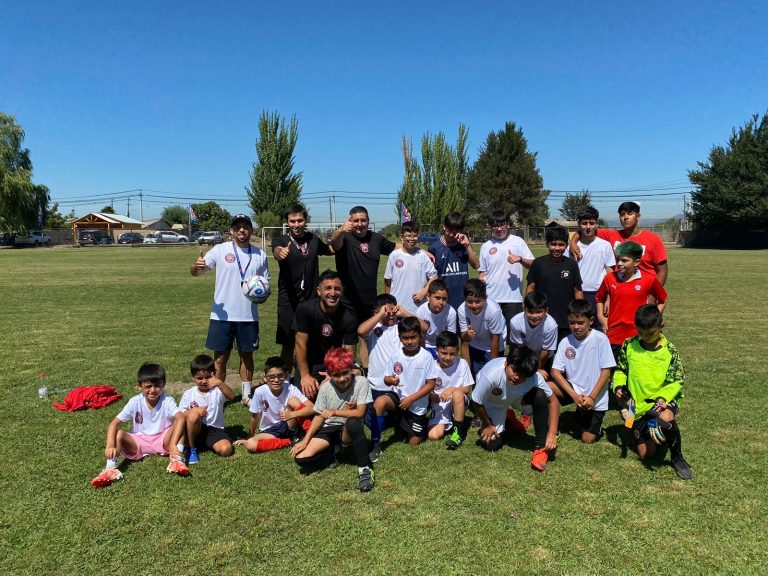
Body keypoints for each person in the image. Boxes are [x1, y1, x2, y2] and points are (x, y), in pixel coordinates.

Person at [190, 214, 269, 404]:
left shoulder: (261, 255)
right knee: (220, 358)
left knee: (246, 355)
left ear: (251, 230)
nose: (241, 230)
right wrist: (196, 265)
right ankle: (219, 394)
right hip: (222, 316)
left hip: (248, 315)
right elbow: (197, 272)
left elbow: (266, 286)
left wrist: (262, 296)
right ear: (231, 231)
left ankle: (247, 394)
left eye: (246, 226)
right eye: (237, 227)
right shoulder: (219, 250)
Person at [612, 305, 692, 480]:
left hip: (662, 401)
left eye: (651, 333)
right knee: (645, 455)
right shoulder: (629, 345)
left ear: (661, 327)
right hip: (637, 406)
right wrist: (618, 386)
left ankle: (678, 457)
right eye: (642, 333)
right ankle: (646, 429)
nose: (646, 337)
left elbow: (676, 380)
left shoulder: (669, 350)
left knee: (666, 418)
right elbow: (621, 370)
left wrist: (663, 398)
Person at [291, 348, 376, 492]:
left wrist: (335, 411)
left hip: (347, 429)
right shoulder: (325, 388)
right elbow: (319, 416)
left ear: (351, 369)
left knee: (354, 421)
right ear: (329, 374)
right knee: (301, 458)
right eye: (336, 375)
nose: (342, 378)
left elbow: (360, 412)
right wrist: (305, 440)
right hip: (329, 427)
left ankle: (365, 469)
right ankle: (333, 452)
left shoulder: (361, 382)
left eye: (345, 373)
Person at [91, 363, 189, 488]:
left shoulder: (167, 400)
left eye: (157, 386)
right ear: (139, 386)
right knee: (119, 433)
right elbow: (114, 424)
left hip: (163, 440)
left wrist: (173, 444)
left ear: (164, 384)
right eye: (148, 386)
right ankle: (110, 468)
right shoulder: (135, 402)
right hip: (139, 442)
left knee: (180, 423)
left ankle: (177, 459)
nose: (153, 390)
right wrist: (110, 445)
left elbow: (180, 418)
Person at [471, 347, 560, 471]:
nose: (517, 377)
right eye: (514, 370)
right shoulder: (491, 374)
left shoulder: (534, 377)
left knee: (540, 395)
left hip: (517, 398)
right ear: (507, 363)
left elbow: (554, 401)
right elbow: (476, 400)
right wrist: (487, 424)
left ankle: (540, 448)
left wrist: (552, 433)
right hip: (493, 402)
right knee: (492, 445)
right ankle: (508, 418)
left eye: (523, 375)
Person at [369, 316, 439, 462]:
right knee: (379, 402)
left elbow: (431, 384)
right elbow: (386, 379)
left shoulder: (426, 357)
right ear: (400, 338)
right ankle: (375, 443)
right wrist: (389, 380)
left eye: (413, 337)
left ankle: (416, 424)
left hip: (416, 405)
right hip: (398, 399)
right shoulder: (396, 355)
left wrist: (411, 399)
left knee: (414, 443)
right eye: (405, 338)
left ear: (420, 336)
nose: (409, 341)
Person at [271, 204, 333, 365]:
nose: (296, 224)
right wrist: (281, 252)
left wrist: (341, 235)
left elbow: (330, 250)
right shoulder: (281, 240)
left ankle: (310, 375)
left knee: (312, 340)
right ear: (287, 222)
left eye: (300, 220)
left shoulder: (313, 239)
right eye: (292, 221)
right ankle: (285, 380)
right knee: (288, 343)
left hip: (311, 300)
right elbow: (277, 251)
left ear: (306, 221)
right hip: (288, 301)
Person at [548, 300, 615, 444]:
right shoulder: (565, 342)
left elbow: (606, 372)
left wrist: (591, 397)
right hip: (574, 390)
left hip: (595, 397)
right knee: (545, 388)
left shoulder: (600, 339)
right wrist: (574, 396)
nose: (576, 327)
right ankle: (550, 427)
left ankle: (587, 415)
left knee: (587, 439)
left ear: (591, 321)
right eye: (572, 323)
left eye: (580, 322)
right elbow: (555, 372)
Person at [357, 294, 414, 451]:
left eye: (393, 311)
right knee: (373, 422)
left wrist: (405, 312)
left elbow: (423, 327)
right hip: (376, 387)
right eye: (386, 311)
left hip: (398, 388)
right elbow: (360, 331)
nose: (391, 315)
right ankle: (391, 418)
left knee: (394, 419)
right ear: (377, 311)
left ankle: (397, 417)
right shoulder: (374, 327)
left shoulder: (401, 327)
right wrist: (381, 314)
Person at [292, 269, 358, 399]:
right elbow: (300, 344)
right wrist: (305, 376)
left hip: (334, 363)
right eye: (328, 288)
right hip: (309, 362)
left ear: (342, 291)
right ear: (319, 290)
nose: (333, 293)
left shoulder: (349, 317)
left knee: (340, 399)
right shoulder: (305, 309)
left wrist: (334, 375)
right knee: (302, 402)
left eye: (337, 289)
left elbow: (348, 353)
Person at [595, 241, 667, 358]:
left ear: (637, 262)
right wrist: (601, 317)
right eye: (618, 259)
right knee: (615, 372)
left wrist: (653, 319)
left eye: (624, 260)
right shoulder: (609, 278)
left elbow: (662, 299)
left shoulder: (649, 279)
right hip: (614, 335)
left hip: (639, 334)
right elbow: (599, 298)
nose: (619, 263)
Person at [569, 201, 668, 285]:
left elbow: (662, 271)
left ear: (638, 216)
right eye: (622, 214)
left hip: (644, 290)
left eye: (630, 214)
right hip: (619, 289)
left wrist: (653, 294)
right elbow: (587, 230)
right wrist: (573, 242)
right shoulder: (612, 235)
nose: (625, 217)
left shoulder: (653, 239)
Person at [331, 205, 396, 324]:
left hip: (370, 300)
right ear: (350, 221)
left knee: (367, 337)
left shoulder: (376, 238)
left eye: (363, 220)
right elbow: (334, 243)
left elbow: (396, 247)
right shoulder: (344, 237)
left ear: (368, 221)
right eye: (356, 221)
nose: (360, 224)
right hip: (347, 301)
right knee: (348, 340)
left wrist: (421, 251)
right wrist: (340, 230)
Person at [236, 356, 315, 453]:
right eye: (271, 377)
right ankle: (289, 441)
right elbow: (255, 416)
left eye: (280, 375)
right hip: (271, 430)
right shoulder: (260, 392)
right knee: (251, 444)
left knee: (293, 400)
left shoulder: (291, 388)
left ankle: (310, 435)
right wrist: (249, 436)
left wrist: (293, 414)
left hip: (290, 424)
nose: (276, 380)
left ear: (286, 375)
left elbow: (312, 408)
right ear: (265, 377)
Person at [526, 225, 583, 341]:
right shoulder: (538, 263)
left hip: (566, 318)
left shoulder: (572, 265)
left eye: (561, 245)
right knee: (544, 352)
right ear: (547, 244)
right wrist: (529, 307)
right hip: (543, 317)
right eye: (553, 244)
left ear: (566, 245)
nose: (557, 248)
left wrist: (579, 311)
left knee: (566, 352)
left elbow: (577, 290)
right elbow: (530, 288)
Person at [564, 206, 615, 329]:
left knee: (598, 329)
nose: (588, 226)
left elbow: (610, 273)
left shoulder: (605, 245)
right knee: (577, 329)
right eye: (584, 223)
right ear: (579, 224)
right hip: (576, 294)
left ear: (597, 224)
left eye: (592, 223)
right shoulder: (571, 248)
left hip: (598, 295)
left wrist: (608, 297)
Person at [478, 210, 534, 324]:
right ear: (490, 227)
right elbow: (482, 274)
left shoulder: (518, 241)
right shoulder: (486, 246)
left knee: (513, 338)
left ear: (507, 225)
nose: (499, 229)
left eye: (502, 224)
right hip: (491, 299)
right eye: (495, 226)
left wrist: (520, 259)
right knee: (493, 336)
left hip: (513, 299)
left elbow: (533, 264)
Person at [179, 354, 236, 463]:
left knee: (226, 450)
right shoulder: (188, 394)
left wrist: (219, 382)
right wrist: (193, 411)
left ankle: (205, 445)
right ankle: (192, 449)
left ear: (213, 374)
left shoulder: (217, 390)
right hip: (195, 430)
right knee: (193, 415)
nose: (204, 381)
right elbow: (180, 416)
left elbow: (232, 396)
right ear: (193, 377)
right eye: (199, 378)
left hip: (215, 430)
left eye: (207, 377)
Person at [427, 331, 474, 449]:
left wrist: (452, 389)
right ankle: (451, 421)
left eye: (452, 354)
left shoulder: (462, 363)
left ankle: (458, 433)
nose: (448, 358)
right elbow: (426, 387)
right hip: (439, 404)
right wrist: (431, 396)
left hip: (458, 400)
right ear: (436, 351)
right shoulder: (431, 366)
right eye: (444, 353)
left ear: (457, 352)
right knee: (433, 435)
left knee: (457, 394)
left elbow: (467, 389)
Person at [428, 212, 480, 310]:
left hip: (462, 296)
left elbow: (476, 265)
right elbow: (430, 276)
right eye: (449, 230)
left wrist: (467, 245)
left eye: (455, 231)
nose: (452, 234)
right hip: (442, 298)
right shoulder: (434, 247)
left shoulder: (464, 245)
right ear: (443, 226)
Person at [384, 221, 438, 314]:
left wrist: (423, 293)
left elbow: (434, 276)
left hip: (418, 307)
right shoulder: (394, 255)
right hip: (398, 306)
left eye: (415, 236)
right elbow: (387, 281)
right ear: (402, 237)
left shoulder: (422, 256)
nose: (412, 239)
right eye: (408, 236)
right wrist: (388, 301)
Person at [458, 278, 507, 375]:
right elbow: (464, 338)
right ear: (465, 299)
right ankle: (467, 376)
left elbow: (495, 339)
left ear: (485, 298)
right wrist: (467, 335)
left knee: (491, 373)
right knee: (478, 373)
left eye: (478, 301)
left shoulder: (493, 310)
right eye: (470, 302)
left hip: (494, 344)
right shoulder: (462, 309)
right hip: (476, 342)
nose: (474, 305)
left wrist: (494, 368)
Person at [507, 292, 559, 377]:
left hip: (543, 358)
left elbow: (545, 351)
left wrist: (537, 370)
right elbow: (517, 347)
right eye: (530, 312)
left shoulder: (551, 325)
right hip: (524, 354)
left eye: (539, 312)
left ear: (546, 311)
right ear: (524, 309)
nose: (534, 316)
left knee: (542, 377)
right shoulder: (515, 321)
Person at [415, 279, 458, 357]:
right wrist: (424, 353)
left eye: (444, 299)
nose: (441, 302)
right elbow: (420, 337)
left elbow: (451, 336)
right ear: (428, 297)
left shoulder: (451, 312)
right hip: (426, 345)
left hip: (443, 346)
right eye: (437, 298)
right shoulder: (421, 311)